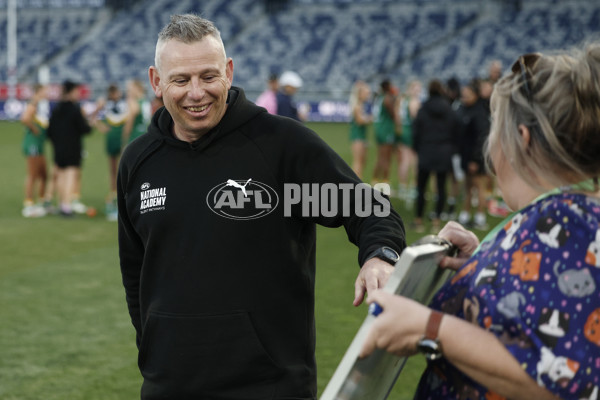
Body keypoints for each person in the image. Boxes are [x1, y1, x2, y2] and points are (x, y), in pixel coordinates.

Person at [117, 14, 406, 400]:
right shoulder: (140, 161)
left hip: (269, 385)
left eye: (208, 76)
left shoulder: (279, 147)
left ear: (229, 71)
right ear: (156, 81)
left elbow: (368, 208)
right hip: (169, 386)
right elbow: (135, 273)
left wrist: (379, 256)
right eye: (181, 80)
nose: (197, 92)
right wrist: (154, 353)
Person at [359, 43, 600, 399]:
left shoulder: (566, 219)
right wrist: (484, 265)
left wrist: (430, 327)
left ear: (522, 139)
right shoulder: (566, 214)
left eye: (494, 130)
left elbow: (564, 378)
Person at [412, 79, 460, 233]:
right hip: (443, 151)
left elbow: (416, 131)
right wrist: (451, 148)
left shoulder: (423, 109)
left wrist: (417, 148)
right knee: (441, 187)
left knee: (421, 187)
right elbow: (456, 131)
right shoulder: (449, 109)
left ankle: (418, 220)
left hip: (426, 150)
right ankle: (437, 221)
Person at [46, 80, 93, 217]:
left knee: (60, 174)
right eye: (77, 91)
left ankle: (62, 204)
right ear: (72, 91)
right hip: (72, 147)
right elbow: (85, 129)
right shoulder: (74, 109)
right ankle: (66, 206)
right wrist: (90, 124)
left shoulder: (56, 109)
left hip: (58, 147)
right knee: (70, 175)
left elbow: (49, 131)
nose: (78, 94)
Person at [457, 81, 491, 230]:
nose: (464, 97)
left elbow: (482, 137)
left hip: (475, 158)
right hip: (466, 155)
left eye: (468, 94)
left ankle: (480, 217)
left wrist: (475, 159)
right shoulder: (465, 109)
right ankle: (465, 215)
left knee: (479, 187)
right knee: (468, 187)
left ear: (475, 95)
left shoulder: (479, 112)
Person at [95, 83, 128, 221]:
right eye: (115, 92)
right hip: (111, 136)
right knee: (112, 167)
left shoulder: (125, 102)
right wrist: (101, 127)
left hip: (121, 134)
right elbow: (94, 116)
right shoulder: (105, 103)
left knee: (122, 166)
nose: (117, 94)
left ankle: (122, 192)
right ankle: (113, 192)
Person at [20, 83, 49, 217]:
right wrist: (34, 129)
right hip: (32, 144)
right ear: (39, 91)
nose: (47, 93)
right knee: (33, 174)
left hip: (38, 144)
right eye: (45, 90)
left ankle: (41, 202)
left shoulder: (40, 105)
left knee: (43, 174)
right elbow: (24, 119)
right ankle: (29, 204)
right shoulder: (33, 104)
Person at [396, 79, 421, 203]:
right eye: (416, 88)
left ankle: (402, 186)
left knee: (404, 160)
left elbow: (398, 118)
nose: (419, 90)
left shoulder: (403, 100)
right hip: (412, 132)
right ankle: (413, 186)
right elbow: (415, 117)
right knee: (414, 160)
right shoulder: (413, 101)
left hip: (404, 131)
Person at [372, 79, 400, 186]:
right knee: (386, 158)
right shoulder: (387, 98)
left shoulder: (379, 98)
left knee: (380, 156)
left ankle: (375, 180)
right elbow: (393, 115)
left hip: (379, 129)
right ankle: (385, 182)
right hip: (386, 130)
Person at [348, 80, 372, 179]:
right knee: (358, 161)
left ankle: (358, 180)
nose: (367, 96)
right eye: (366, 93)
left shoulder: (361, 105)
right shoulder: (357, 106)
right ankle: (356, 182)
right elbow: (360, 121)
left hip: (361, 136)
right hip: (357, 136)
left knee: (362, 161)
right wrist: (370, 119)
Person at [122, 79, 149, 144]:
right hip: (145, 133)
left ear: (136, 88)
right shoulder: (145, 101)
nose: (128, 92)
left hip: (135, 136)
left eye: (129, 90)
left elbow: (130, 120)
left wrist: (125, 136)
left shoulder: (134, 102)